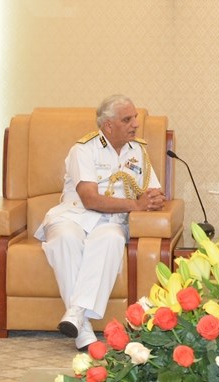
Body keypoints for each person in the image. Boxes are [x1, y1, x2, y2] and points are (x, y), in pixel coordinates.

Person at [34, 94, 166, 349]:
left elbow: (153, 190)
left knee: (112, 239)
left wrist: (153, 199)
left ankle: (76, 314)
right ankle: (83, 329)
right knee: (64, 240)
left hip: (111, 221)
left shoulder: (138, 150)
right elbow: (89, 199)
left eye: (135, 118)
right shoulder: (82, 150)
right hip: (72, 216)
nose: (135, 124)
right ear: (108, 125)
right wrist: (136, 205)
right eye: (127, 119)